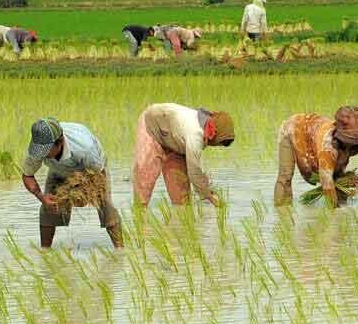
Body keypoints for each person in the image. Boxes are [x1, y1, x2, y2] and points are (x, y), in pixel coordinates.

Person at [21, 118, 123, 249]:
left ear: (60, 143)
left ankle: (120, 251)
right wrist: (41, 197)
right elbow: (27, 175)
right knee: (48, 208)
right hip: (58, 170)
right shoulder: (37, 149)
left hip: (91, 170)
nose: (42, 155)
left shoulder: (85, 148)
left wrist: (81, 194)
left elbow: (97, 176)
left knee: (106, 206)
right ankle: (45, 252)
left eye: (46, 150)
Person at [132, 103, 234, 206]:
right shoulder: (195, 134)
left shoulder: (202, 130)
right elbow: (194, 171)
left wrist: (206, 188)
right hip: (152, 126)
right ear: (214, 134)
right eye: (218, 143)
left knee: (182, 201)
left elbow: (197, 168)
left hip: (175, 141)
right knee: (143, 185)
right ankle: (140, 218)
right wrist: (210, 197)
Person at [273, 106, 358, 207]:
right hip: (293, 129)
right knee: (285, 176)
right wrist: (334, 212)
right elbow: (327, 184)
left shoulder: (348, 145)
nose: (351, 144)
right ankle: (281, 209)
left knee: (338, 178)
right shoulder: (327, 147)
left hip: (313, 129)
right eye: (349, 140)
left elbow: (337, 174)